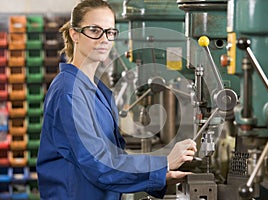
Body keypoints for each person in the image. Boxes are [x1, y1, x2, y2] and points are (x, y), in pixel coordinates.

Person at [36, 0, 197, 199]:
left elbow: (114, 157)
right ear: (74, 34)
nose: (104, 39)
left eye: (110, 32)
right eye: (94, 30)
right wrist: (163, 163)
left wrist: (161, 176)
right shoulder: (68, 92)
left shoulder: (99, 90)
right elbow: (97, 164)